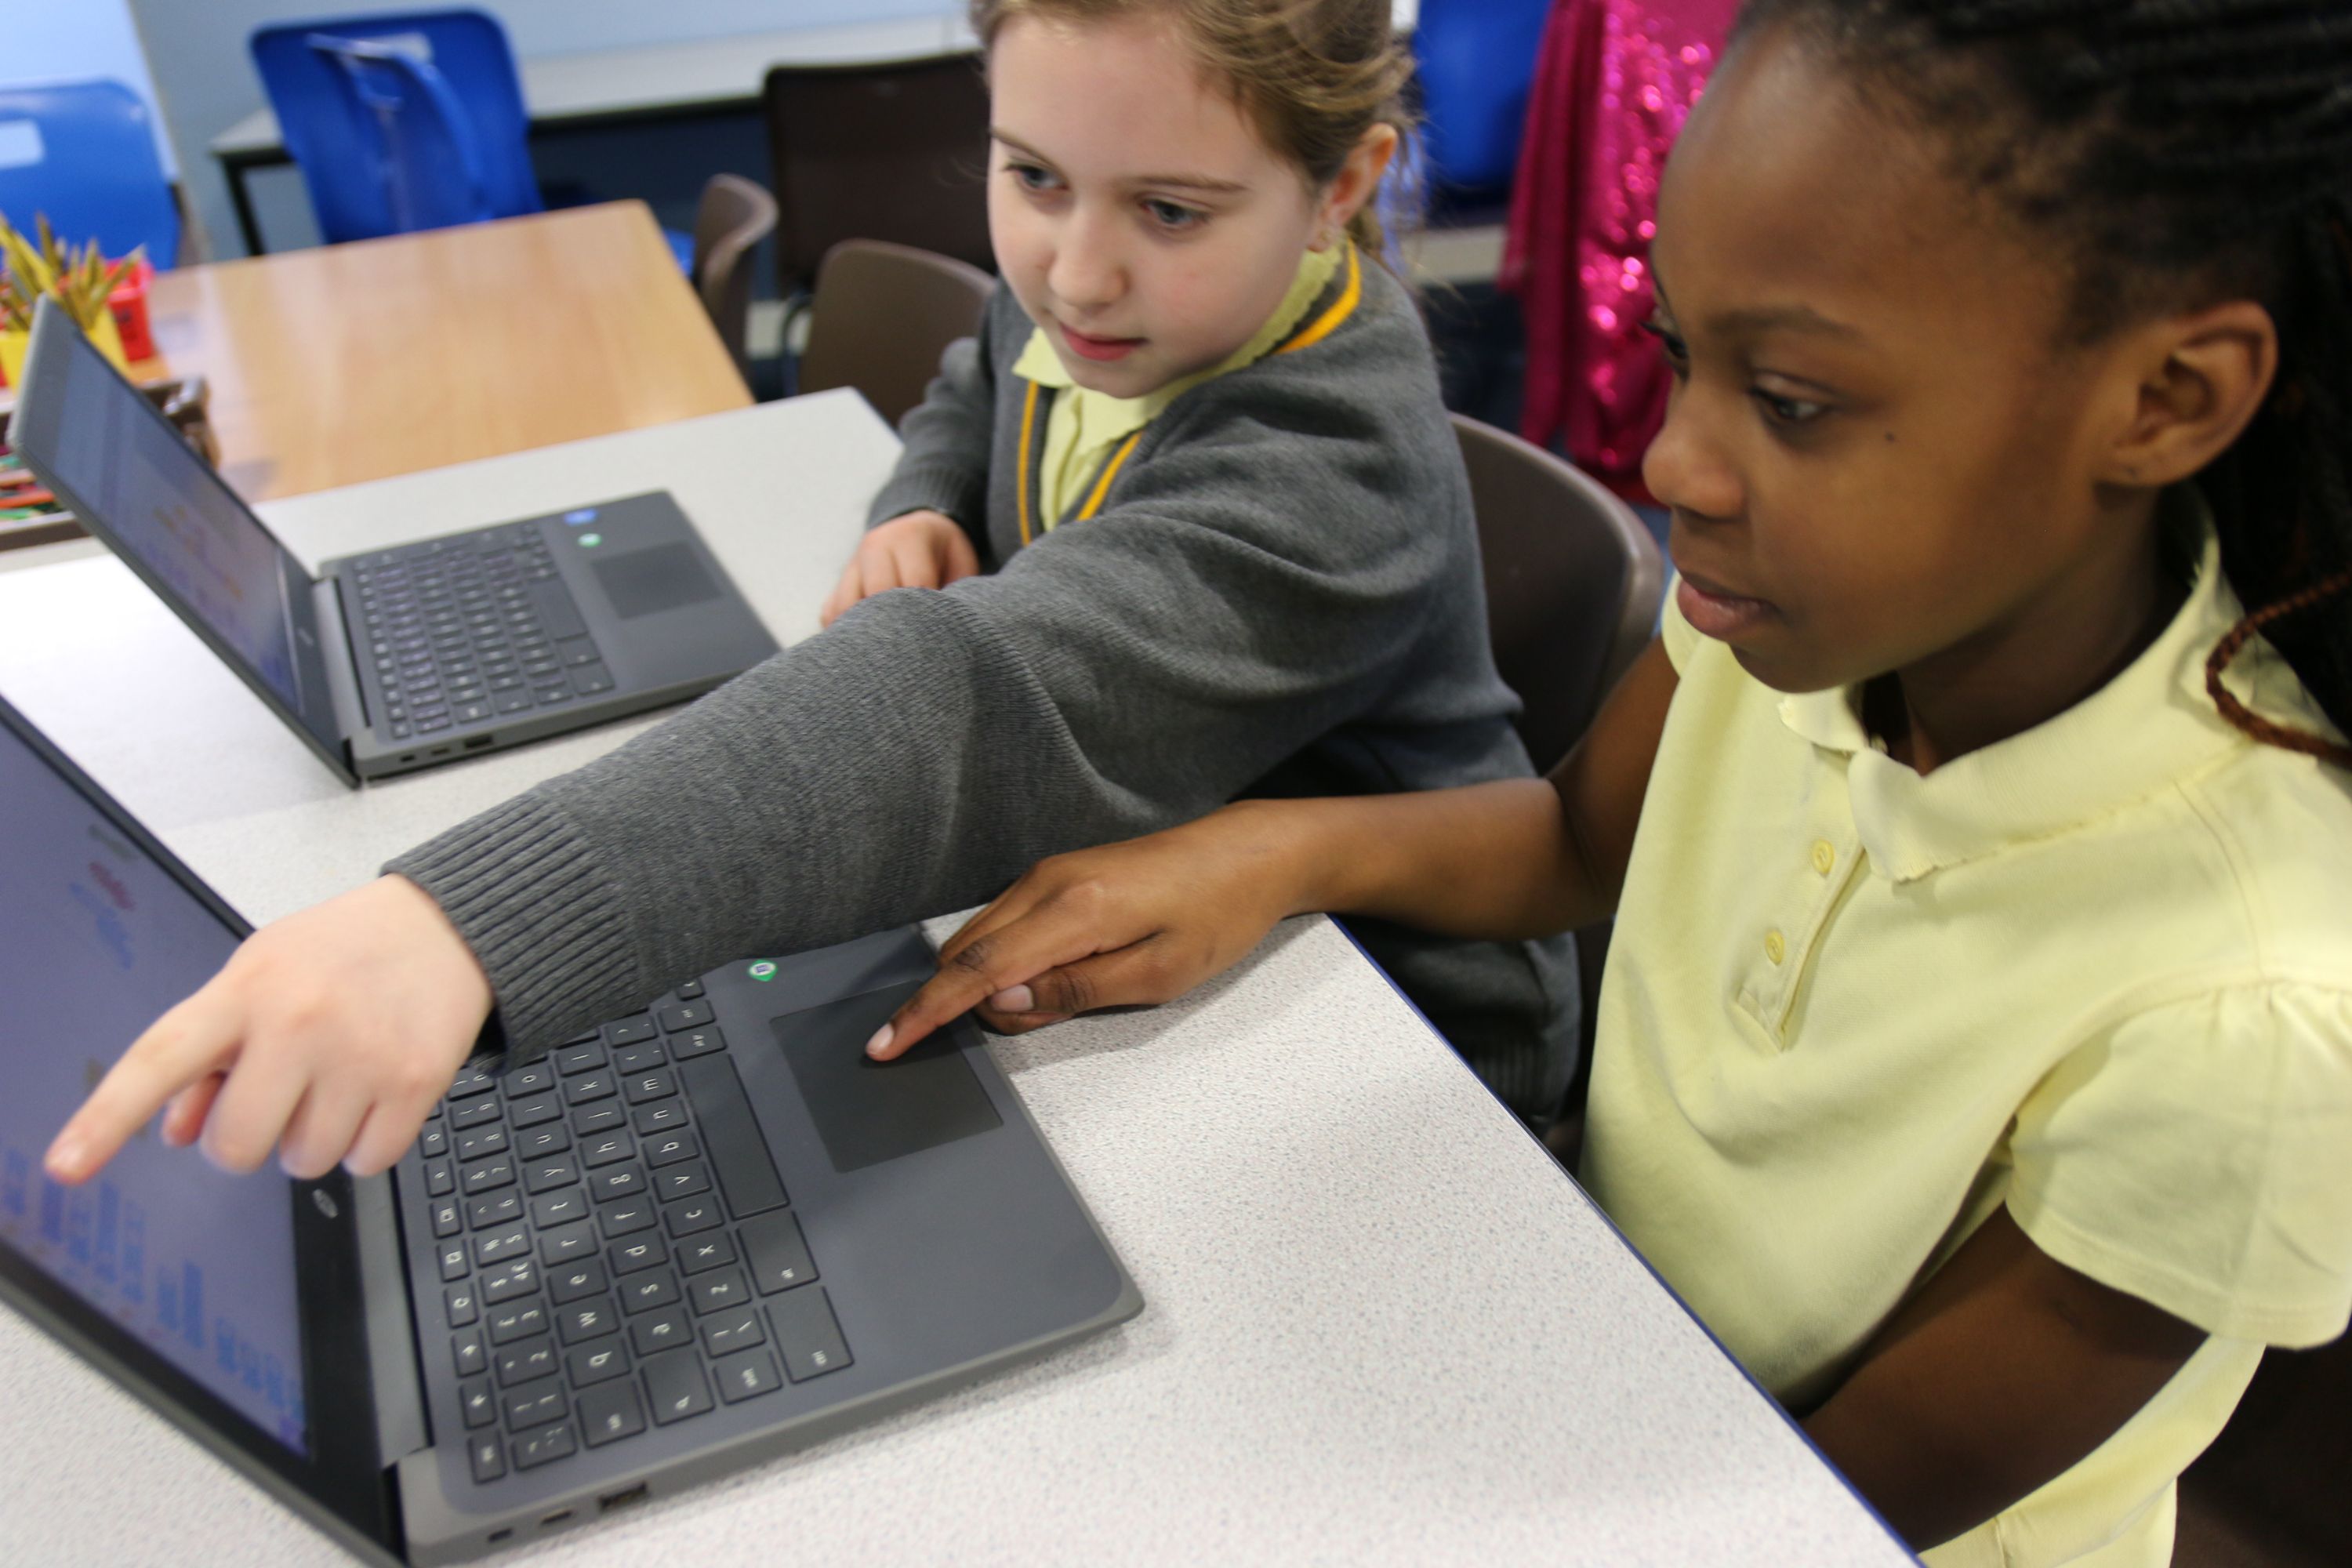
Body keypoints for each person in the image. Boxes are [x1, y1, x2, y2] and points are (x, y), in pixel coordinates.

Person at [864, 2, 2352, 1560]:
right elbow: (1583, 838)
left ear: (2166, 401)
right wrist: (1262, 855)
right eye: (1682, 358)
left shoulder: (2257, 1005)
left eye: (1793, 403)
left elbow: (1809, 1512)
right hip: (1591, 1337)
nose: (1675, 466)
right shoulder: (1810, 609)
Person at [43, 0, 1581, 1192]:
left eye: (1169, 211)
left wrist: (467, 925)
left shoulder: (1333, 464)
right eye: (1033, 176)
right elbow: (982, 373)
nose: (1077, 272)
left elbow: (973, 696)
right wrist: (922, 501)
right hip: (1154, 887)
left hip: (1399, 1029)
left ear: (1341, 186)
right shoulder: (1123, 305)